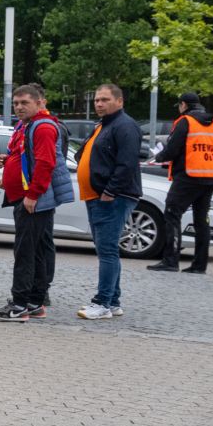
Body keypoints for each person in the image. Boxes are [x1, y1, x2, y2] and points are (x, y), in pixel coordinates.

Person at [0, 84, 74, 321]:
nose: (18, 107)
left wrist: (33, 195)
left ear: (39, 103)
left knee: (25, 251)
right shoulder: (29, 125)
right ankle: (35, 302)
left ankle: (19, 305)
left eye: (24, 103)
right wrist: (9, 163)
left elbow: (46, 163)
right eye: (16, 103)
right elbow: (29, 157)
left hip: (33, 200)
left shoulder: (43, 127)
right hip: (27, 197)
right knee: (34, 250)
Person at [75, 83, 143, 320]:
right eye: (96, 100)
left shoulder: (125, 126)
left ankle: (102, 302)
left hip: (111, 198)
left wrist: (110, 191)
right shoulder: (104, 125)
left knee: (107, 251)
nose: (99, 104)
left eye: (104, 99)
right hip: (97, 195)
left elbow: (127, 163)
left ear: (119, 101)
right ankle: (113, 301)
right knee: (107, 250)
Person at [148, 91, 213, 274]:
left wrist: (159, 157)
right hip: (211, 176)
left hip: (189, 176)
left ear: (183, 105)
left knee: (172, 215)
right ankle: (199, 265)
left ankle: (170, 261)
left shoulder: (185, 121)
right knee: (202, 221)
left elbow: (173, 149)